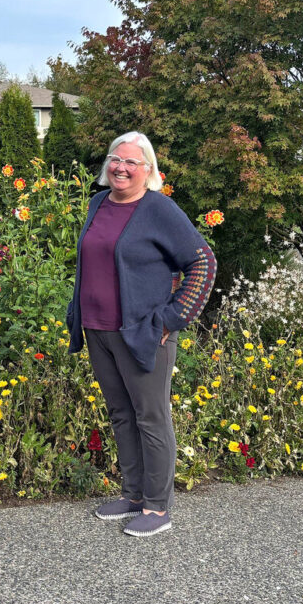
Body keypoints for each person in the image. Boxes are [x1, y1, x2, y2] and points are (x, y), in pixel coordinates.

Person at [66, 132, 216, 537]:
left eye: (132, 162)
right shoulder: (98, 203)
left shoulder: (158, 209)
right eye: (116, 159)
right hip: (98, 329)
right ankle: (132, 495)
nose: (121, 167)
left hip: (144, 333)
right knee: (120, 414)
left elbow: (202, 263)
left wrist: (171, 319)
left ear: (148, 169)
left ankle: (156, 506)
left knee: (151, 417)